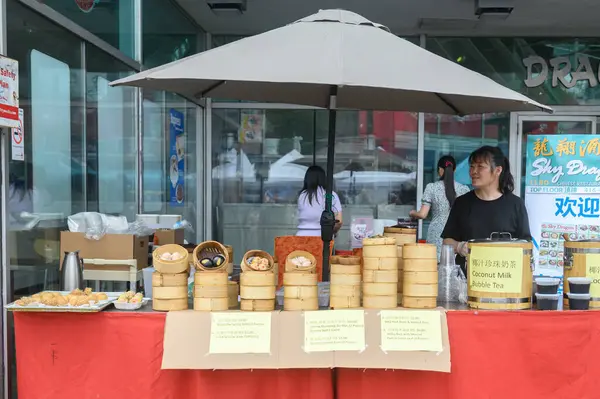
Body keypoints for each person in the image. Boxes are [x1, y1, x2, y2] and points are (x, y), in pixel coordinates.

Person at [441, 146, 531, 273]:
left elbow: (526, 245)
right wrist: (460, 246)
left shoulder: (515, 204)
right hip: (468, 280)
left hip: (505, 280)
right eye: (472, 166)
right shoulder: (462, 203)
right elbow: (447, 241)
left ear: (498, 170)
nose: (473, 171)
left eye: (480, 167)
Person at [410, 155, 470, 261]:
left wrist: (412, 213)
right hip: (455, 235)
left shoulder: (431, 187)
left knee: (433, 268)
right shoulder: (464, 189)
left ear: (439, 170)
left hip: (436, 233)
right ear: (454, 169)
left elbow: (422, 214)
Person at [296, 165, 342, 237]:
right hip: (322, 238)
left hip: (301, 237)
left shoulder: (302, 195)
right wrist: (332, 231)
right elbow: (339, 221)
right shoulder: (330, 195)